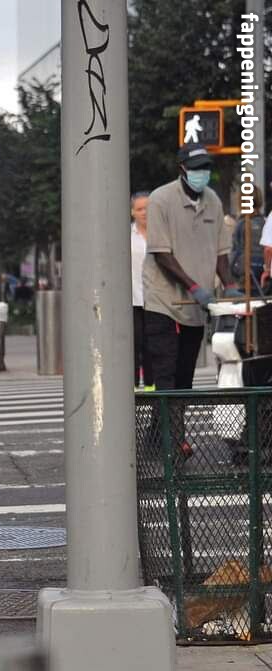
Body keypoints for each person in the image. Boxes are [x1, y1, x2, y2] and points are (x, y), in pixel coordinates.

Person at [143, 144, 240, 454]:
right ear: (182, 169)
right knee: (166, 374)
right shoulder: (161, 199)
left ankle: (155, 440)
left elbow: (221, 253)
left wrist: (230, 285)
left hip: (197, 307)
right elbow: (161, 254)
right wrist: (194, 286)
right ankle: (174, 443)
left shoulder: (213, 201)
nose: (202, 174)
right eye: (196, 168)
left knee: (184, 376)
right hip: (164, 302)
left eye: (206, 168)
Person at [130, 191, 152, 387]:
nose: (144, 212)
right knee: (135, 344)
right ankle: (134, 385)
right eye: (139, 209)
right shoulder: (126, 236)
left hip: (157, 299)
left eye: (148, 208)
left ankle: (152, 386)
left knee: (152, 345)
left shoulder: (162, 232)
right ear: (132, 212)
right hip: (133, 299)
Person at [230, 186, 267, 294]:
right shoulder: (265, 223)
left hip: (244, 280)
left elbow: (235, 252)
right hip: (263, 280)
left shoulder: (241, 224)